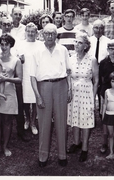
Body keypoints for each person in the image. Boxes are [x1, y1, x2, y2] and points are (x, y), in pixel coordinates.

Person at [30, 23, 71, 167]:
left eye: (53, 33)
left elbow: (68, 71)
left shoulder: (63, 49)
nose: (50, 36)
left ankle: (62, 155)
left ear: (56, 35)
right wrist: (38, 96)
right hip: (44, 87)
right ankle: (43, 156)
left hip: (61, 85)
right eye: (47, 33)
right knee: (44, 122)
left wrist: (69, 89)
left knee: (61, 121)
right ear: (42, 35)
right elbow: (32, 77)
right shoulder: (36, 51)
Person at [0, 16, 30, 142]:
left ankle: (20, 131)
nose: (7, 26)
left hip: (14, 75)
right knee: (0, 104)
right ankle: (0, 132)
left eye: (9, 24)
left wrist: (14, 61)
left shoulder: (17, 41)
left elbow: (22, 58)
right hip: (0, 79)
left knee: (19, 105)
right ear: (1, 26)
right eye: (5, 24)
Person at [67, 32, 99, 162]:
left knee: (85, 120)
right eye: (76, 42)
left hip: (87, 92)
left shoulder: (92, 60)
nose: (76, 44)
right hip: (73, 92)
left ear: (86, 46)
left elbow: (96, 80)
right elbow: (68, 76)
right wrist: (69, 90)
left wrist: (94, 97)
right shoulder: (70, 58)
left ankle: (84, 148)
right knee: (75, 117)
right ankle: (76, 143)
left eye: (79, 42)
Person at [18, 22, 43, 135]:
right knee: (26, 101)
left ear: (36, 33)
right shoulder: (21, 44)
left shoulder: (40, 44)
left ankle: (33, 122)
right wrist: (19, 58)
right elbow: (17, 59)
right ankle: (27, 119)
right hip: (25, 75)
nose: (31, 33)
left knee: (35, 100)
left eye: (33, 31)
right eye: (28, 31)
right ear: (26, 32)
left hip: (36, 75)